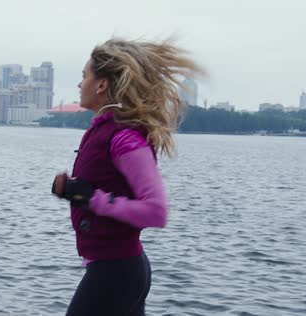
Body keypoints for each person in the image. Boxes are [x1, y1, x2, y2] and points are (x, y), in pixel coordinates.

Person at [52, 38, 203, 316]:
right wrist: (74, 192)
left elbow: (156, 212)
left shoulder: (125, 138)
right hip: (113, 269)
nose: (79, 84)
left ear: (101, 85)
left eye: (84, 76)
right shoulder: (103, 130)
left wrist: (92, 199)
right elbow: (104, 188)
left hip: (117, 272)